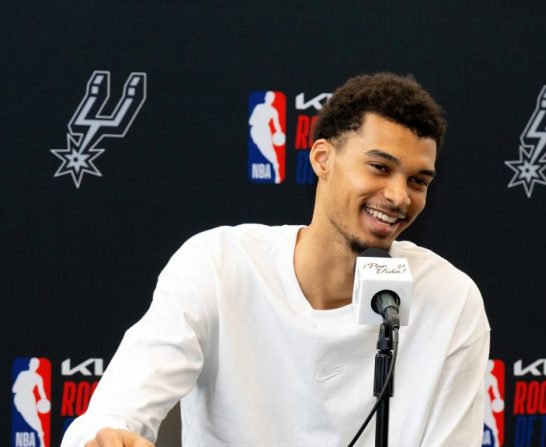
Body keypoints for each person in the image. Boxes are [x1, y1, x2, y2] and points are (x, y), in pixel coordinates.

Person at [62, 73, 490, 446]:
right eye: (379, 167)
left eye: (418, 180)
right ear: (323, 158)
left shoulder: (451, 301)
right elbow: (114, 413)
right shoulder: (219, 265)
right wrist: (106, 437)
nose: (400, 196)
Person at [13, 358, 50, 447]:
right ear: (30, 364)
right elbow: (14, 389)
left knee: (36, 421)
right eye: (33, 364)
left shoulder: (38, 377)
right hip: (19, 399)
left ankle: (42, 442)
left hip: (30, 398)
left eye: (36, 364)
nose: (34, 366)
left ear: (37, 366)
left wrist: (44, 400)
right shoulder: (22, 374)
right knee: (26, 420)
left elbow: (41, 392)